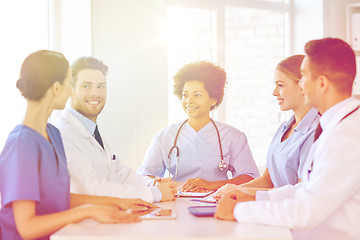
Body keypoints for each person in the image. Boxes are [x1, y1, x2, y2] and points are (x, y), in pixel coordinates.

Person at [0, 50, 157, 240]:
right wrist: (87, 211)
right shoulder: (21, 145)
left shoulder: (53, 134)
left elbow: (61, 197)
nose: (71, 91)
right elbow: (27, 227)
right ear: (56, 88)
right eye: (69, 83)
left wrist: (116, 202)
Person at [215, 38, 360, 240]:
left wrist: (238, 211)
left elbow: (306, 210)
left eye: (303, 77)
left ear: (321, 83)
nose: (301, 85)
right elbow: (308, 189)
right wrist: (253, 196)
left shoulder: (346, 137)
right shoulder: (335, 126)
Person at [55, 56, 176, 203]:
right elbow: (92, 189)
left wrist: (152, 184)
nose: (95, 93)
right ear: (70, 90)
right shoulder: (64, 136)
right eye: (86, 86)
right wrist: (155, 194)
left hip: (106, 218)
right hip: (84, 223)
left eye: (101, 86)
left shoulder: (91, 131)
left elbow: (120, 173)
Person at [137, 61, 259, 192]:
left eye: (197, 95)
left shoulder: (233, 136)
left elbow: (250, 178)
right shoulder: (165, 136)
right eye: (185, 95)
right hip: (174, 200)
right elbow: (144, 176)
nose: (189, 100)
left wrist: (211, 185)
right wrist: (158, 183)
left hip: (217, 202)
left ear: (213, 99)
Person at [213, 55, 320, 200]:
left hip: (293, 213)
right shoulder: (285, 127)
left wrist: (243, 193)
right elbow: (267, 180)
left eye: (280, 85)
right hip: (276, 209)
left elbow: (301, 193)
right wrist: (230, 191)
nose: (274, 92)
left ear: (302, 85)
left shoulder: (316, 132)